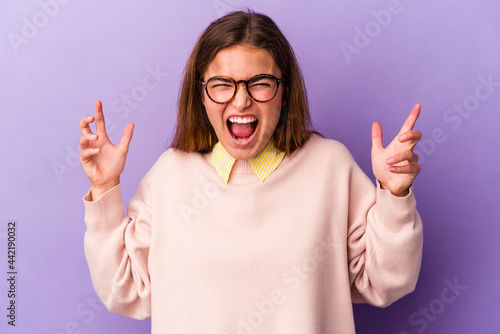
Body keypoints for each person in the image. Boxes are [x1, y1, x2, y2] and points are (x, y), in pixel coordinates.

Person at [79, 10, 423, 334]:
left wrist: (394, 195)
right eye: (222, 83)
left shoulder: (330, 167)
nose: (241, 100)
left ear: (283, 91)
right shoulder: (169, 175)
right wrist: (104, 186)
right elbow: (123, 292)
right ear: (201, 95)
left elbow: (387, 282)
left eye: (259, 82)